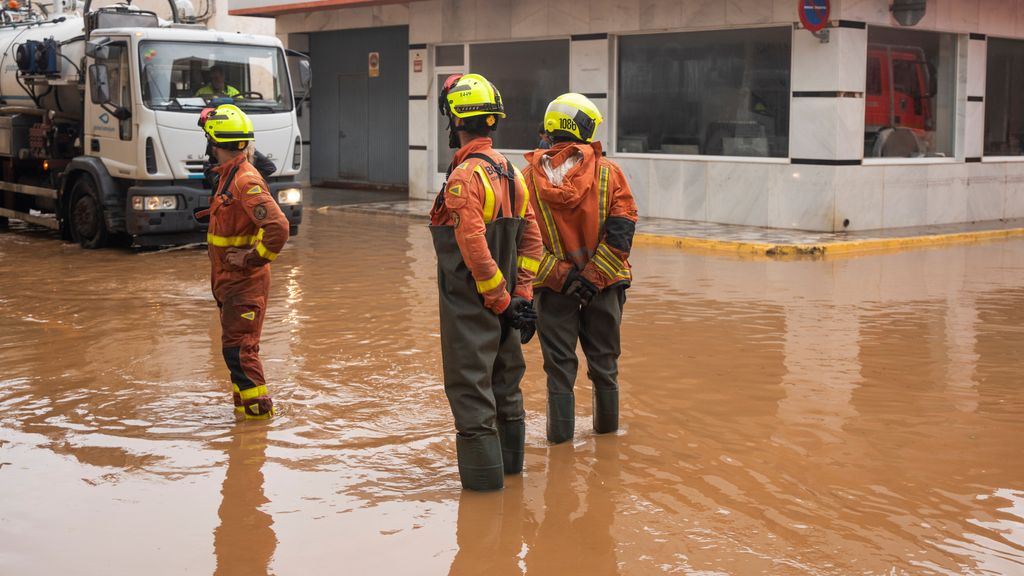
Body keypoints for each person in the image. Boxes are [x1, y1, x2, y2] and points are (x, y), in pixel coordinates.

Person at [430, 73, 544, 491]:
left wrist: (499, 299)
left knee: (471, 393)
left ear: (456, 120)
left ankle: (484, 499)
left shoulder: (465, 178)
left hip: (473, 306)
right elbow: (532, 237)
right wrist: (522, 295)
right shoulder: (513, 173)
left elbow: (473, 244)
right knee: (507, 385)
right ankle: (512, 480)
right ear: (492, 121)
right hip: (508, 305)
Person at [522, 93, 638, 444]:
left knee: (559, 374)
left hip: (553, 292)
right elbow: (622, 232)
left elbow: (523, 244)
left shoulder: (525, 178)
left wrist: (565, 278)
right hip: (605, 289)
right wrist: (592, 278)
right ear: (585, 127)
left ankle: (560, 448)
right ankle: (607, 443)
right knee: (605, 368)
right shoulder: (609, 173)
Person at [197, 104, 289, 420]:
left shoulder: (244, 182)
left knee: (240, 352)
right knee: (235, 352)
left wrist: (252, 259)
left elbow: (278, 228)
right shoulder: (230, 176)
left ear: (214, 142)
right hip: (229, 283)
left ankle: (257, 422)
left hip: (243, 282)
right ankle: (245, 419)